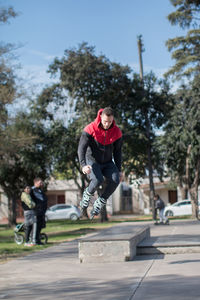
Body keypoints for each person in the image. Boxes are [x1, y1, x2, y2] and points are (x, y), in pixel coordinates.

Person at [78, 107, 122, 219]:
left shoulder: (116, 132)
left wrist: (119, 170)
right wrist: (83, 165)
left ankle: (101, 201)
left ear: (113, 120)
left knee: (116, 179)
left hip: (107, 162)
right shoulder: (90, 128)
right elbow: (81, 148)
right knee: (98, 180)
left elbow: (117, 152)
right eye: (105, 121)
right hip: (92, 160)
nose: (107, 124)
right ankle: (87, 195)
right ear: (101, 117)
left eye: (110, 122)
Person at [30, 178, 48, 245]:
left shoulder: (40, 190)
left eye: (41, 183)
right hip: (36, 211)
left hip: (42, 211)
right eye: (40, 183)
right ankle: (34, 240)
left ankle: (38, 240)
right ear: (35, 183)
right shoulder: (32, 190)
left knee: (40, 226)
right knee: (35, 226)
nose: (41, 184)